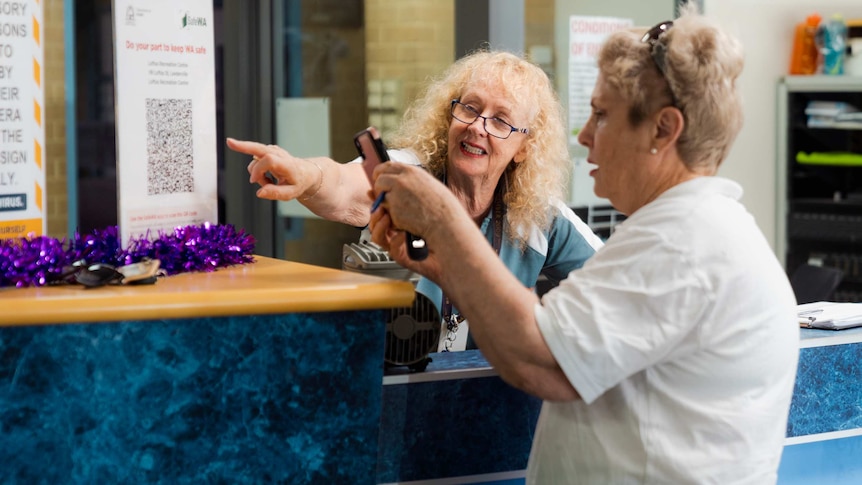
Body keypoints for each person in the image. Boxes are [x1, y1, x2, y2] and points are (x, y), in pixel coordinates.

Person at [368, 5, 799, 483]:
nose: (584, 136)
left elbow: (538, 360)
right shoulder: (689, 231)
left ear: (663, 129)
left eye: (601, 115)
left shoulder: (681, 246)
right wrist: (445, 262)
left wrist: (447, 227)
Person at [227, 50, 603, 352]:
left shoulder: (539, 216)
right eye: (470, 108)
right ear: (449, 115)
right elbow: (343, 185)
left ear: (524, 148)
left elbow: (609, 279)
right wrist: (308, 175)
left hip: (481, 397)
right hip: (386, 384)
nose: (477, 126)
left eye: (501, 121)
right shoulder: (407, 175)